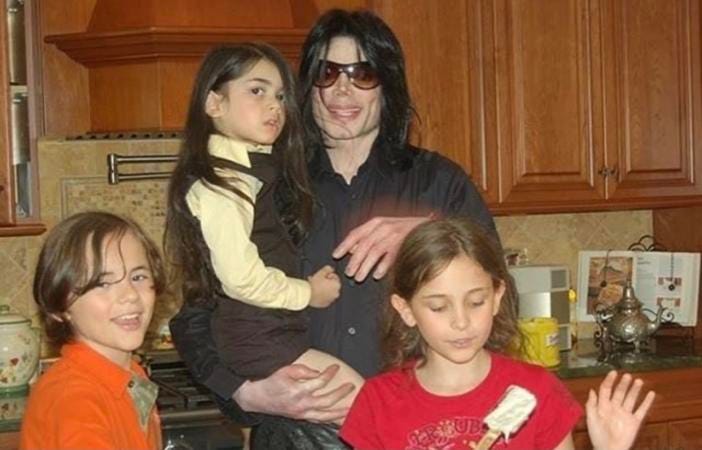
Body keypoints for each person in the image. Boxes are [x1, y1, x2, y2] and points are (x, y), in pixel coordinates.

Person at [169, 9, 498, 447]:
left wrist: (429, 232)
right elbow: (195, 316)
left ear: (387, 85)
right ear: (307, 88)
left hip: (418, 431)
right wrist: (245, 391)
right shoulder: (261, 184)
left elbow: (496, 290)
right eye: (327, 73)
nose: (343, 88)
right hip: (292, 437)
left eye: (362, 73)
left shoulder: (440, 183)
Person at [164, 43, 365, 443]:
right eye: (256, 91)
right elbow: (240, 278)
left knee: (367, 419)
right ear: (214, 104)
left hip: (269, 335)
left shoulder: (252, 172)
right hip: (259, 337)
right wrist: (308, 292)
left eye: (279, 96)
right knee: (369, 414)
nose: (274, 106)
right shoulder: (225, 183)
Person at [339, 218, 656, 450]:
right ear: (406, 309)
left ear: (497, 297)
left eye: (475, 302)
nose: (461, 321)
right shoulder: (377, 403)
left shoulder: (538, 391)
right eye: (438, 307)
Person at [20, 211, 165, 450]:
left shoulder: (130, 376)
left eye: (138, 276)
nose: (129, 295)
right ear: (60, 306)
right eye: (103, 284)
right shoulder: (73, 397)